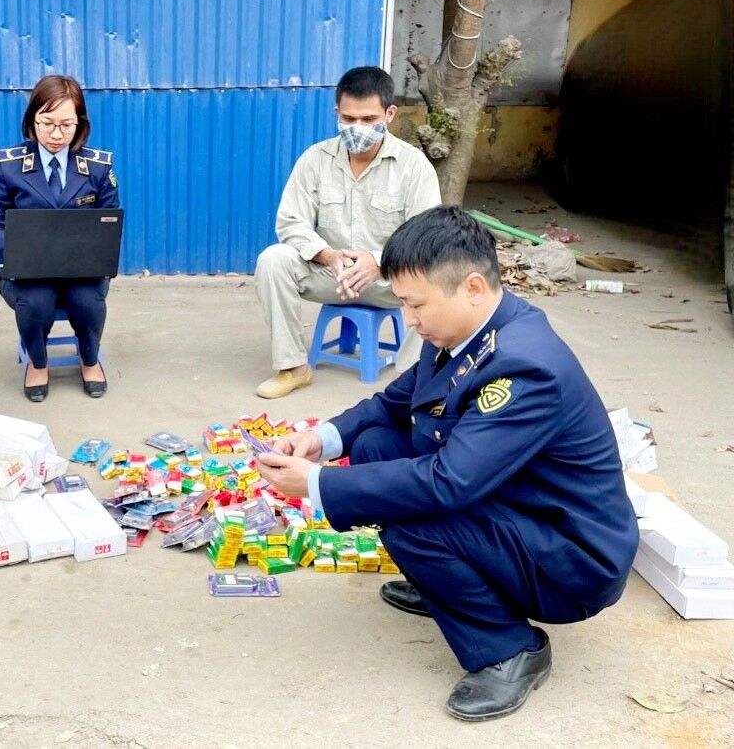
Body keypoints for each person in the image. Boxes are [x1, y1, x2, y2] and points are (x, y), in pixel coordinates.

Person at [253, 206, 638, 722]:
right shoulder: (467, 331)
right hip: (519, 507)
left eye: (415, 306)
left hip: (572, 558)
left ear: (473, 287)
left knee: (414, 527)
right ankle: (453, 583)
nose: (408, 321)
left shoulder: (525, 367)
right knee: (372, 445)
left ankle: (509, 650)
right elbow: (394, 400)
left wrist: (318, 485)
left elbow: (447, 483)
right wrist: (323, 440)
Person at [254, 66, 441, 399]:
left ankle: (412, 378)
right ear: (336, 113)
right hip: (333, 275)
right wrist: (328, 255)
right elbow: (290, 221)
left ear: (390, 113)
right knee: (274, 260)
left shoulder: (414, 167)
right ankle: (293, 367)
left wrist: (380, 262)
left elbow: (426, 238)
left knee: (438, 273)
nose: (358, 129)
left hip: (390, 282)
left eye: (369, 120)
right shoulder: (315, 159)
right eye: (349, 119)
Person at [0, 75, 119, 402]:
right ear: (32, 120)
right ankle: (38, 363)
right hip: (27, 273)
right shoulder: (9, 167)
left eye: (66, 125)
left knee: (87, 301)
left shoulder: (97, 168)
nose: (56, 135)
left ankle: (89, 360)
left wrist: (94, 254)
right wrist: (18, 256)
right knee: (37, 302)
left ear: (79, 124)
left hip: (81, 271)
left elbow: (110, 222)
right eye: (46, 123)